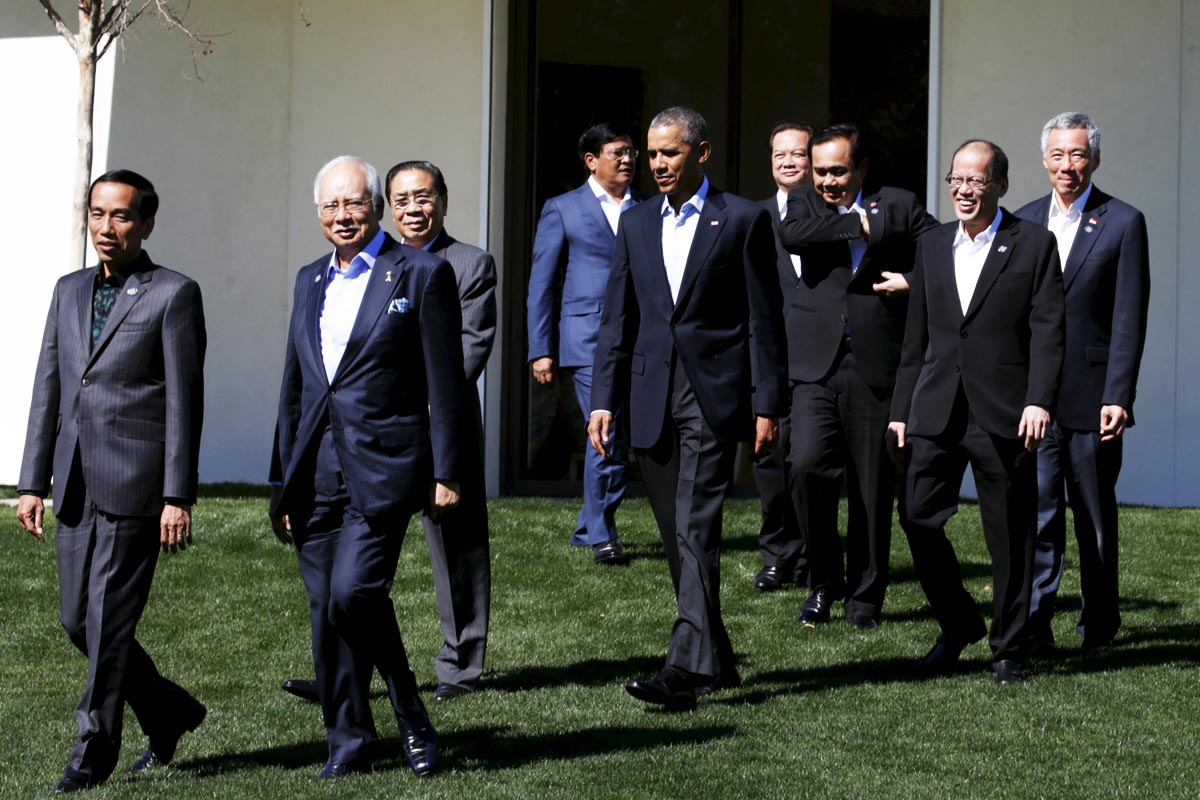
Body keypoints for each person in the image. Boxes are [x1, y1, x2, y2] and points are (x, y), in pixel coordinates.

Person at [268, 156, 467, 778]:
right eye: (330, 206)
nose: (342, 216)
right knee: (327, 610)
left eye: (353, 203)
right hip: (316, 472)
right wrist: (282, 480)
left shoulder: (421, 273)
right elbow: (297, 387)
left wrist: (448, 471)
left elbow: (446, 380)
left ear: (376, 206)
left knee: (355, 592)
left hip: (386, 465)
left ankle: (408, 707)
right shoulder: (309, 279)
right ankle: (348, 744)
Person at [589, 106, 786, 710]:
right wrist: (602, 402)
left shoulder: (745, 218)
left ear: (701, 154)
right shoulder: (637, 220)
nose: (657, 165)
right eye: (651, 154)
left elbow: (763, 320)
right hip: (649, 397)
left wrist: (767, 403)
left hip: (712, 396)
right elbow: (616, 318)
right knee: (679, 538)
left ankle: (684, 671)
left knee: (697, 528)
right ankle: (718, 659)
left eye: (669, 153)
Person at [17, 170, 207, 793]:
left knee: (109, 620)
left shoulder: (173, 293)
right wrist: (30, 481)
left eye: (121, 216)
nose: (106, 227)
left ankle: (91, 752)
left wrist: (177, 495)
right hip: (72, 482)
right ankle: (168, 710)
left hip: (136, 484)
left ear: (147, 224)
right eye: (97, 213)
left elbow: (186, 400)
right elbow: (49, 388)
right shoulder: (68, 291)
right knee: (79, 620)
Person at [888, 140, 1065, 686]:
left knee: (1010, 536)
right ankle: (959, 620)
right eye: (956, 180)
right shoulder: (933, 245)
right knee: (916, 514)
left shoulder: (1034, 244)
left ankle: (1008, 646)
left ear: (1000, 186)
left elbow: (1048, 331)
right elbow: (916, 334)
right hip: (936, 408)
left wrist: (1038, 400)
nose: (963, 190)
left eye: (976, 180)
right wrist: (901, 408)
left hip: (1005, 412)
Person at [777, 124, 940, 627]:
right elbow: (793, 236)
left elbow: (944, 252)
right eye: (820, 170)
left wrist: (912, 280)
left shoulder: (900, 203)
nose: (827, 181)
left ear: (862, 168)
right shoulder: (803, 204)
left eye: (838, 171)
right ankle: (823, 583)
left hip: (875, 365)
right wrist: (857, 226)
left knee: (872, 487)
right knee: (806, 466)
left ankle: (866, 598)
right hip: (815, 367)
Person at [1015, 113, 1150, 652]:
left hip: (1095, 399)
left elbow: (1128, 318)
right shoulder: (1022, 221)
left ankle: (1099, 622)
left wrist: (1119, 394)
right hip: (1037, 401)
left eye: (1076, 155)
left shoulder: (1122, 221)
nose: (1066, 166)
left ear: (1093, 158)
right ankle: (1035, 622)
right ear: (1044, 160)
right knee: (1040, 513)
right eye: (1057, 155)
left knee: (1094, 517)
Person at [527, 123, 649, 564]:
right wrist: (541, 348)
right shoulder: (563, 208)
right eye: (618, 152)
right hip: (585, 341)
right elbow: (542, 282)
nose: (628, 159)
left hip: (638, 340)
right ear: (591, 159)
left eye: (632, 152)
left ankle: (587, 524)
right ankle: (601, 533)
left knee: (623, 435)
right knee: (607, 434)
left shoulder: (650, 209)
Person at [750, 122, 813, 592]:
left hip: (818, 358)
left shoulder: (832, 213)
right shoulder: (752, 219)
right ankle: (777, 554)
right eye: (779, 155)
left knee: (809, 463)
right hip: (768, 358)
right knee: (770, 462)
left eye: (798, 153)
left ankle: (812, 554)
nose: (788, 162)